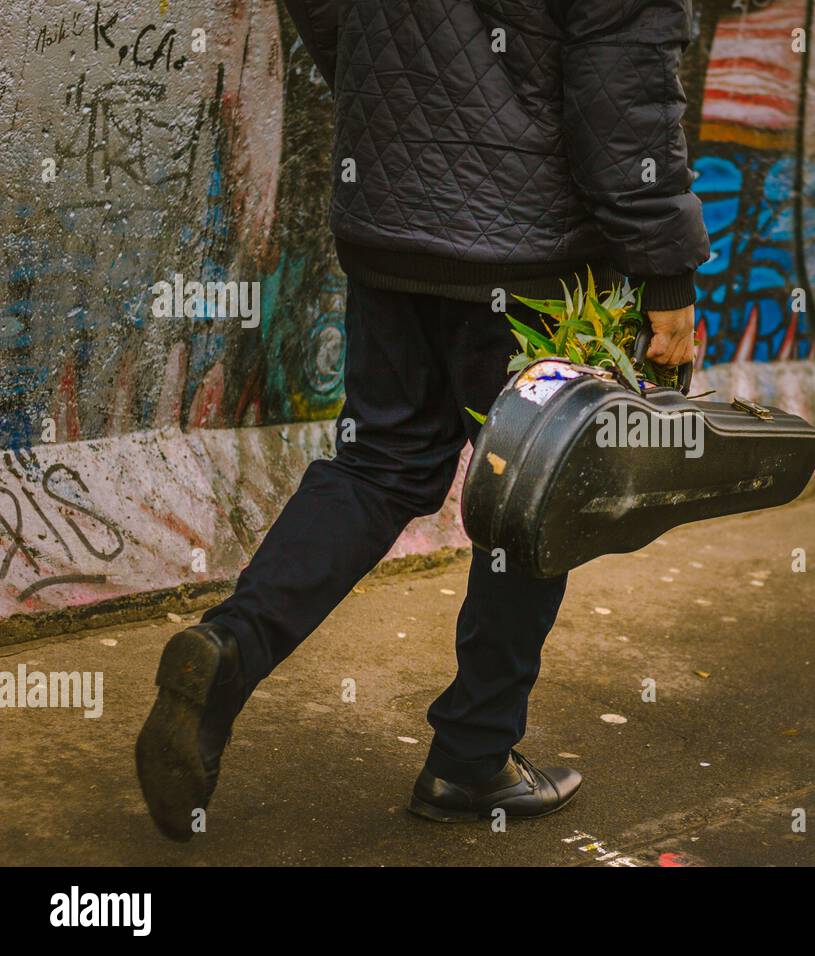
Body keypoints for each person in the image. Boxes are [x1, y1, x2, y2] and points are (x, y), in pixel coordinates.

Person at [135, 0, 710, 841]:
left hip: (391, 222)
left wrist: (403, 124)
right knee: (535, 491)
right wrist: (666, 270)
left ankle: (228, 653)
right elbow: (624, 91)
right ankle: (470, 761)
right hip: (530, 247)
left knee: (381, 464)